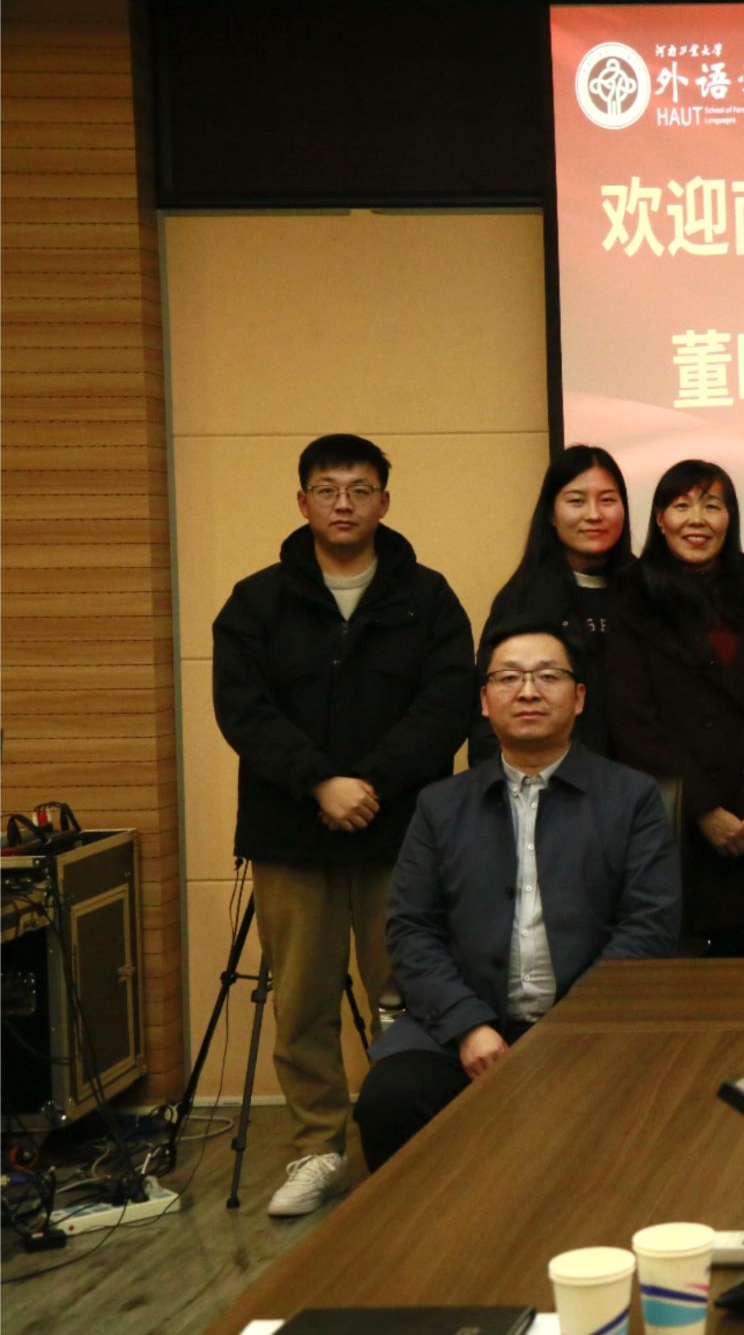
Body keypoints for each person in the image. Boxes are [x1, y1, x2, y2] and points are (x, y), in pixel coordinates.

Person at [211, 433, 473, 1215]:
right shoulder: (256, 600)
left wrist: (371, 783)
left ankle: (408, 1139)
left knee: (410, 991)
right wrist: (320, 781)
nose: (344, 504)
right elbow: (243, 710)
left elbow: (446, 704)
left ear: (384, 501)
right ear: (303, 502)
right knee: (302, 1001)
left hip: (403, 832)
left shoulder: (427, 596)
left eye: (360, 489)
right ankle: (316, 1149)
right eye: (327, 489)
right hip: (292, 834)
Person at [354, 624, 680, 1170]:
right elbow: (412, 930)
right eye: (509, 678)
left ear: (578, 697)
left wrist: (571, 1027)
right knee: (391, 1099)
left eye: (548, 676)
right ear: (485, 701)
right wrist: (467, 1026)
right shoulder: (440, 805)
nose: (528, 692)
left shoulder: (632, 798)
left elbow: (649, 926)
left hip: (595, 1025)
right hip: (463, 1026)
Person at [607, 459, 744, 956]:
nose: (697, 519)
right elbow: (632, 715)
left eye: (712, 506)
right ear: (659, 518)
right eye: (681, 505)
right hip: (675, 812)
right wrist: (703, 807)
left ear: (730, 517)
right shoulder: (632, 591)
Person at [468, 445, 632, 764]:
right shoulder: (522, 599)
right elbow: (492, 712)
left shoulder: (648, 591)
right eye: (576, 501)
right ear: (552, 515)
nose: (594, 514)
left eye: (607, 500)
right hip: (553, 781)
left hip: (644, 783)